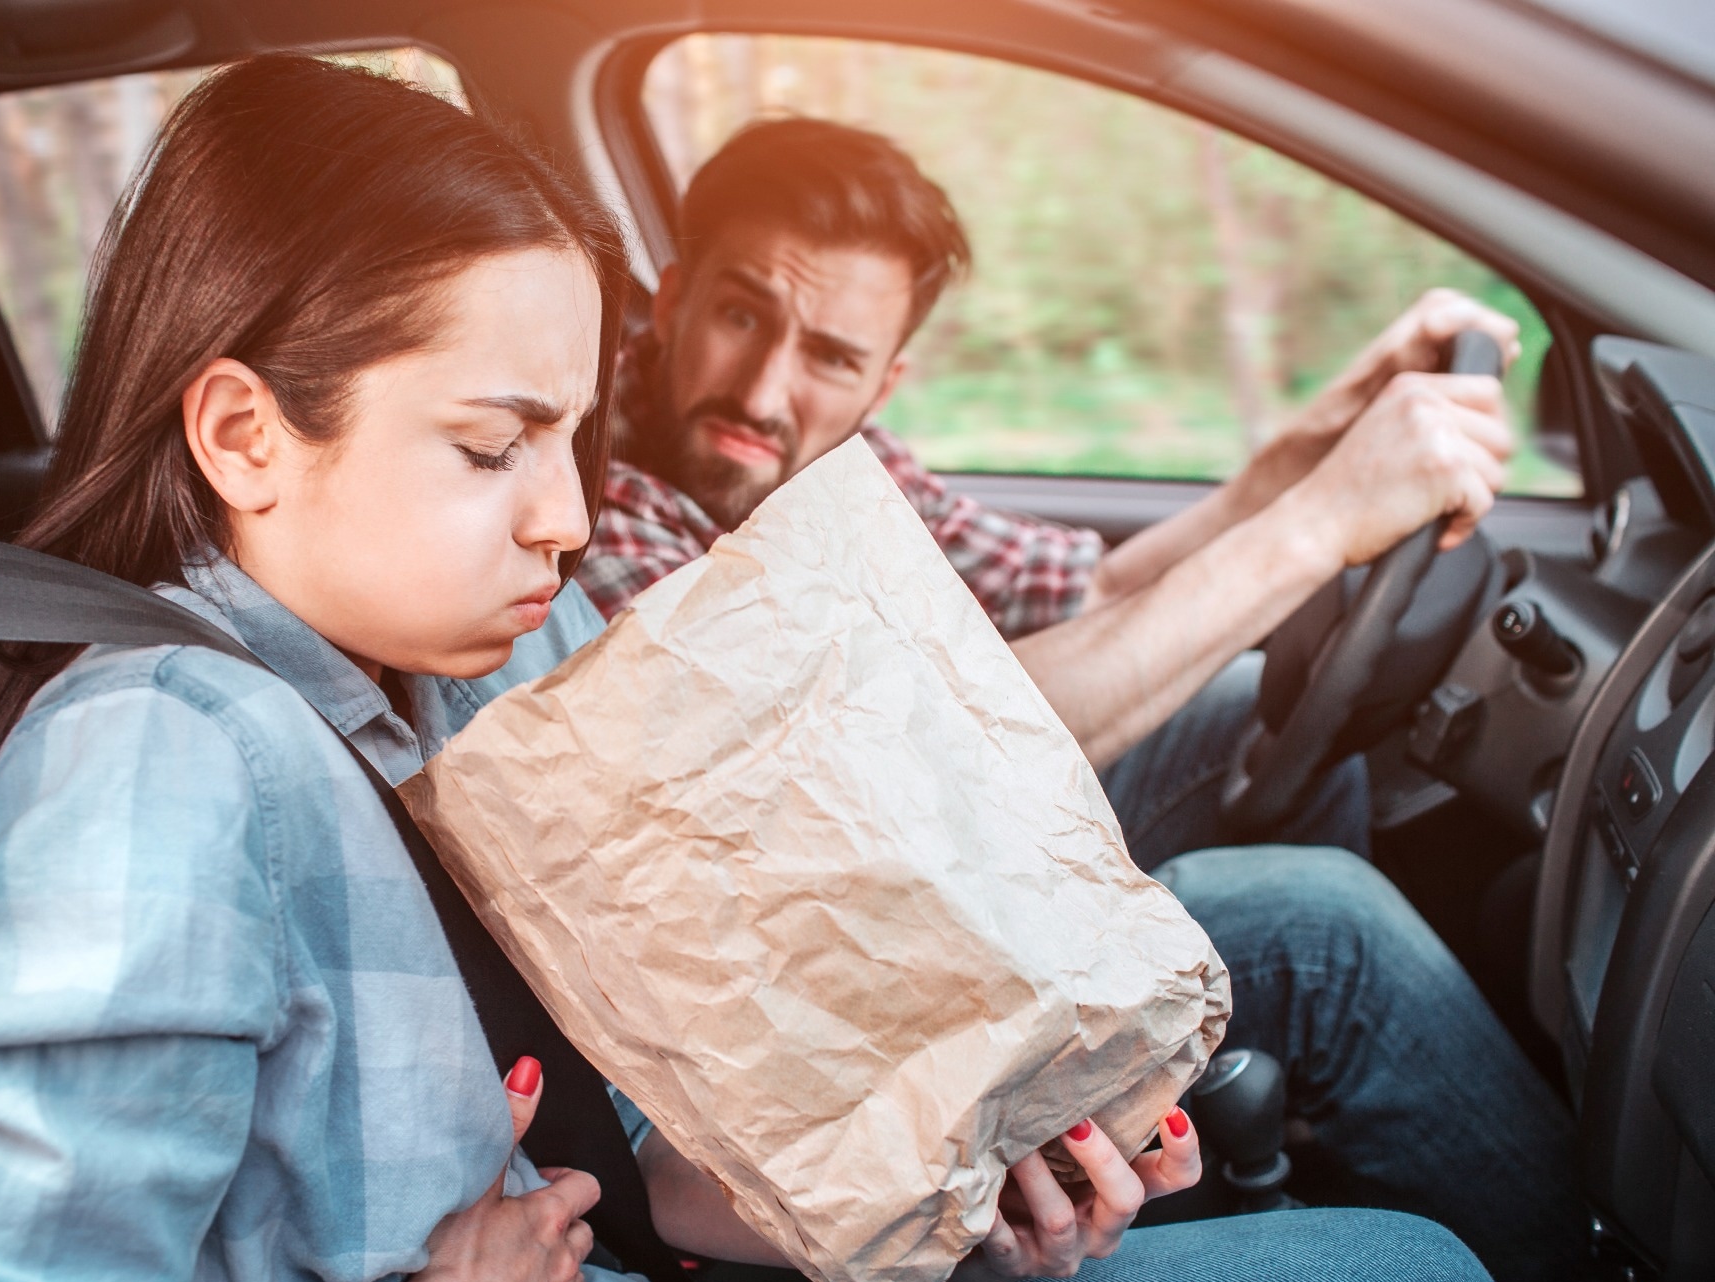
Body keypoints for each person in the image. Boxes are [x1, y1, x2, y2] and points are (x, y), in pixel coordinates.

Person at [0, 54, 1526, 1282]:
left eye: (567, 430)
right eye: (492, 444)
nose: (566, 510)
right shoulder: (153, 762)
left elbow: (635, 1176)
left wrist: (934, 1192)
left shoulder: (488, 671)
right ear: (246, 432)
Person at [579, 118, 1522, 870]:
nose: (762, 391)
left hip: (903, 860)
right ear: (671, 301)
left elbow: (1095, 594)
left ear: (883, 385)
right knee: (1327, 941)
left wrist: (1327, 437)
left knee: (1251, 701)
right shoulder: (588, 501)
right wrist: (1324, 525)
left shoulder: (836, 461)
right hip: (804, 949)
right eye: (742, 315)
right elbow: (908, 766)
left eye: (830, 356)